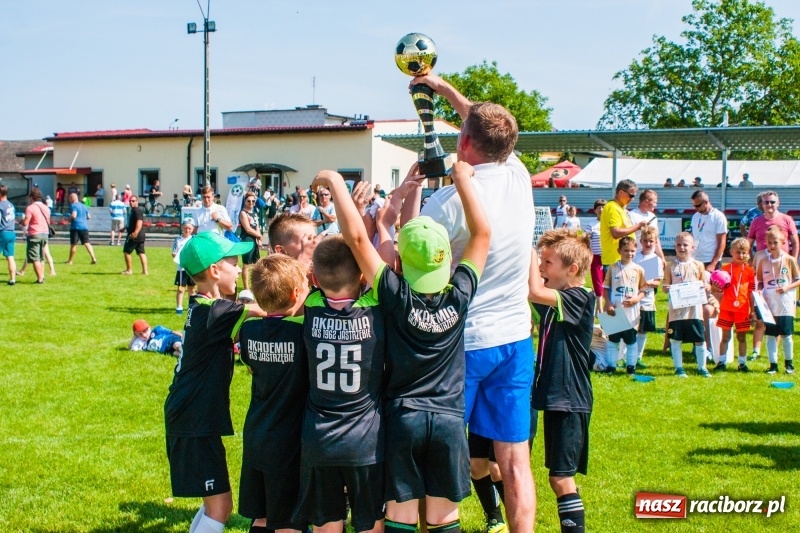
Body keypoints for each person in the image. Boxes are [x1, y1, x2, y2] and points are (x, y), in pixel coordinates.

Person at [312, 160, 490, 533]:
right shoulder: (459, 295)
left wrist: (333, 179)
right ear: (446, 260)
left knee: (401, 515)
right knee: (443, 518)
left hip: (402, 418)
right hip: (448, 420)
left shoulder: (392, 294)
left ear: (399, 261)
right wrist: (462, 181)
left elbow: (359, 241)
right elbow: (482, 234)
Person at [412, 72, 535, 533]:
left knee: (442, 454)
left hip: (461, 343)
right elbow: (485, 128)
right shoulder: (519, 176)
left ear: (463, 141)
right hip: (515, 338)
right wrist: (445, 90)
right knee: (515, 459)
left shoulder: (446, 201)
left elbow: (411, 264)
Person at [164, 231, 264, 533]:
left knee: (215, 504)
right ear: (214, 270)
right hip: (195, 420)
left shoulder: (206, 306)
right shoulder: (216, 311)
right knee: (220, 506)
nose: (239, 268)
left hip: (193, 416)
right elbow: (267, 309)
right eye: (233, 262)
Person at [292, 235, 386, 533]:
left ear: (315, 279)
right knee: (370, 524)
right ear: (361, 275)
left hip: (319, 438)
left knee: (326, 525)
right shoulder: (375, 307)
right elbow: (381, 269)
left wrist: (306, 256)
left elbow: (295, 288)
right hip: (365, 441)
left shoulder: (311, 305)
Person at [527, 228, 595, 533]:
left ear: (573, 269)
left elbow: (534, 292)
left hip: (571, 400)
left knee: (561, 477)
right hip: (558, 399)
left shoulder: (579, 297)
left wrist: (525, 248)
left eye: (548, 262)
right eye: (541, 261)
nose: (542, 268)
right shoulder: (559, 299)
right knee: (558, 477)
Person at [238, 254, 310, 533]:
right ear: (296, 294)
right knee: (288, 521)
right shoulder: (303, 331)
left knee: (263, 515)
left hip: (257, 432)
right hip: (288, 440)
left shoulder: (249, 330)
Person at [663, 232, 717, 378]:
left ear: (692, 247)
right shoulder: (670, 267)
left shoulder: (698, 265)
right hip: (677, 312)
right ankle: (679, 368)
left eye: (685, 245)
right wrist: (666, 288)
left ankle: (702, 367)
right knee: (676, 339)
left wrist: (706, 287)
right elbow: (664, 286)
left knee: (699, 339)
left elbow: (706, 285)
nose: (682, 247)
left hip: (694, 311)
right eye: (679, 245)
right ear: (674, 247)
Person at [756, 226, 800, 375]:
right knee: (771, 334)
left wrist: (787, 288)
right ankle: (773, 365)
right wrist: (759, 290)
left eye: (775, 242)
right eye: (769, 243)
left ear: (783, 242)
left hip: (785, 303)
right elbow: (760, 281)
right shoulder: (763, 261)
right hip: (769, 304)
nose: (772, 245)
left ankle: (789, 364)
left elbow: (798, 280)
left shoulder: (790, 260)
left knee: (786, 334)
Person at [709, 237, 755, 372]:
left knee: (742, 337)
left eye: (744, 252)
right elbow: (716, 290)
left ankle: (742, 363)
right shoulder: (724, 269)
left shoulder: (750, 272)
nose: (741, 255)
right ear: (731, 252)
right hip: (726, 308)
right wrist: (714, 288)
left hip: (742, 309)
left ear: (748, 253)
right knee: (725, 336)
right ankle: (721, 362)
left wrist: (752, 311)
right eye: (738, 252)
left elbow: (752, 293)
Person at [602, 236, 647, 375]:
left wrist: (636, 299)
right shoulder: (612, 268)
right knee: (613, 340)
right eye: (626, 250)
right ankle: (611, 366)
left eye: (632, 251)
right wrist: (608, 303)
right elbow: (606, 288)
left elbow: (644, 290)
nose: (630, 253)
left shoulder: (639, 269)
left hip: (631, 312)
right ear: (619, 251)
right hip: (615, 310)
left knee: (631, 340)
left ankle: (631, 367)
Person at [633, 226, 663, 369]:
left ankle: (638, 357)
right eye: (645, 241)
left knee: (643, 329)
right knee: (629, 327)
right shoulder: (635, 256)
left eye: (651, 241)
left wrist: (650, 282)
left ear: (655, 242)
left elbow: (658, 282)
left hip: (647, 299)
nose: (648, 244)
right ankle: (624, 356)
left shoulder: (656, 260)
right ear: (641, 241)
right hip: (632, 297)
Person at [599, 180, 646, 267]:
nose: (632, 199)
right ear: (621, 192)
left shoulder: (621, 209)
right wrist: (637, 226)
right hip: (615, 261)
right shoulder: (612, 207)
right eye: (631, 195)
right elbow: (615, 233)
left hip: (622, 260)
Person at [747, 191, 799, 261]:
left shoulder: (787, 219)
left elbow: (795, 243)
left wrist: (794, 261)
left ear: (778, 203)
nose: (769, 204)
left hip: (783, 264)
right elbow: (748, 245)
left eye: (772, 202)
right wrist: (751, 262)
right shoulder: (756, 222)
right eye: (766, 202)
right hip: (762, 264)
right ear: (762, 204)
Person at [690, 191, 727, 272]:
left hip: (710, 260)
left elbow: (722, 243)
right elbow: (694, 237)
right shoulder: (695, 216)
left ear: (706, 202)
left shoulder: (718, 217)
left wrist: (713, 264)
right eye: (694, 205)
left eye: (698, 205)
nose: (695, 208)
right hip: (695, 260)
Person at [19, 188, 50, 284]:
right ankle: (42, 276)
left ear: (31, 197)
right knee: (41, 257)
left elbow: (26, 222)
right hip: (45, 233)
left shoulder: (30, 208)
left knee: (34, 257)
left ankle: (40, 279)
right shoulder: (46, 207)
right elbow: (48, 221)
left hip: (34, 233)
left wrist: (21, 222)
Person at [627, 189, 664, 260]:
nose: (656, 205)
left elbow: (656, 239)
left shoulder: (653, 216)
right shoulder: (631, 215)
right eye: (654, 202)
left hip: (651, 257)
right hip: (634, 257)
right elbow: (627, 238)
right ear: (646, 201)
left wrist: (661, 257)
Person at [237, 192, 262, 290]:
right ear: (245, 201)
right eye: (249, 201)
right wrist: (259, 235)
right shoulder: (243, 213)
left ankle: (255, 285)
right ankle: (246, 288)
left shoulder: (254, 212)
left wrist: (259, 238)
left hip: (254, 239)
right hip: (247, 239)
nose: (251, 203)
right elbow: (247, 229)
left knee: (256, 264)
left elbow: (257, 227)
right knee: (246, 264)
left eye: (253, 201)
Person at [172, 220, 196, 314]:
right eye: (186, 228)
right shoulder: (178, 240)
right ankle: (179, 307)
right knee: (181, 288)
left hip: (192, 268)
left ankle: (192, 307)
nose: (187, 230)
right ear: (182, 227)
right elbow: (174, 253)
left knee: (192, 289)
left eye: (189, 228)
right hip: (182, 268)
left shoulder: (194, 239)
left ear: (193, 229)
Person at [66, 192, 97, 265]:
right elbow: (89, 216)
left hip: (75, 227)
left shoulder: (74, 205)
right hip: (84, 227)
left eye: (69, 198)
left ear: (72, 198)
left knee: (73, 244)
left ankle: (70, 261)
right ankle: (93, 258)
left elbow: (74, 215)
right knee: (87, 243)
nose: (69, 200)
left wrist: (68, 219)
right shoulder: (83, 206)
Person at [121, 196, 148, 275]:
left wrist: (135, 233)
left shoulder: (137, 211)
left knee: (126, 252)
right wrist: (124, 228)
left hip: (134, 235)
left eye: (133, 201)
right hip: (140, 235)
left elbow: (139, 222)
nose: (131, 202)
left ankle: (129, 270)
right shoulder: (133, 211)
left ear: (137, 201)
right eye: (130, 201)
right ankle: (145, 271)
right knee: (141, 253)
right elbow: (131, 222)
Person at [588, 199, 606, 315]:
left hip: (609, 258)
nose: (601, 209)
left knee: (607, 284)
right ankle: (600, 310)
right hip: (596, 258)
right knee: (598, 283)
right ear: (595, 210)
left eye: (603, 207)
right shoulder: (591, 225)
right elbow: (587, 241)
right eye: (599, 207)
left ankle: (600, 307)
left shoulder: (611, 224)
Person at [0, 185, 17, 285]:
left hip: (2, 232)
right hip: (11, 232)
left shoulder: (1, 205)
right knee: (10, 257)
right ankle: (12, 279)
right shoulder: (11, 205)